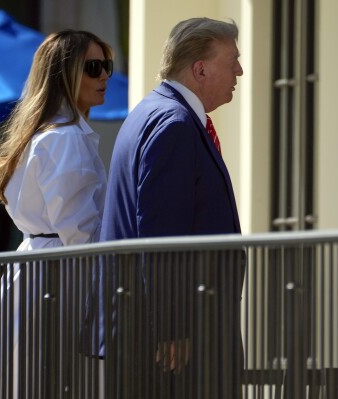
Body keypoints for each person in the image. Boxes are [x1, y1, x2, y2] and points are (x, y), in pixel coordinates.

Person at [100, 17, 245, 398]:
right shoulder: (174, 124)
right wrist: (170, 328)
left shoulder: (154, 112)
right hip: (177, 342)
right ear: (200, 68)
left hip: (162, 333)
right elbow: (162, 231)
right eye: (232, 61)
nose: (239, 71)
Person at [0, 29, 114, 396]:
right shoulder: (65, 138)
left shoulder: (46, 133)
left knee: (21, 375)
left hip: (37, 268)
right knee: (48, 377)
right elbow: (80, 229)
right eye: (93, 67)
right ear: (65, 73)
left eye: (107, 66)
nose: (104, 75)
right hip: (61, 272)